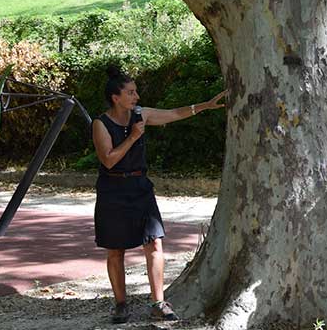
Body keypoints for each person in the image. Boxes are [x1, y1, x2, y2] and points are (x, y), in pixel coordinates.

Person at [92, 66, 227, 324]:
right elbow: (108, 160)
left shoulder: (141, 115)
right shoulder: (101, 124)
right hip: (113, 189)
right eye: (131, 93)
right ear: (115, 98)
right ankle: (120, 305)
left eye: (136, 92)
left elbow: (174, 113)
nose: (137, 97)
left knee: (154, 243)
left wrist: (205, 106)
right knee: (115, 250)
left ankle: (158, 303)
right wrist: (132, 137)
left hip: (140, 187)